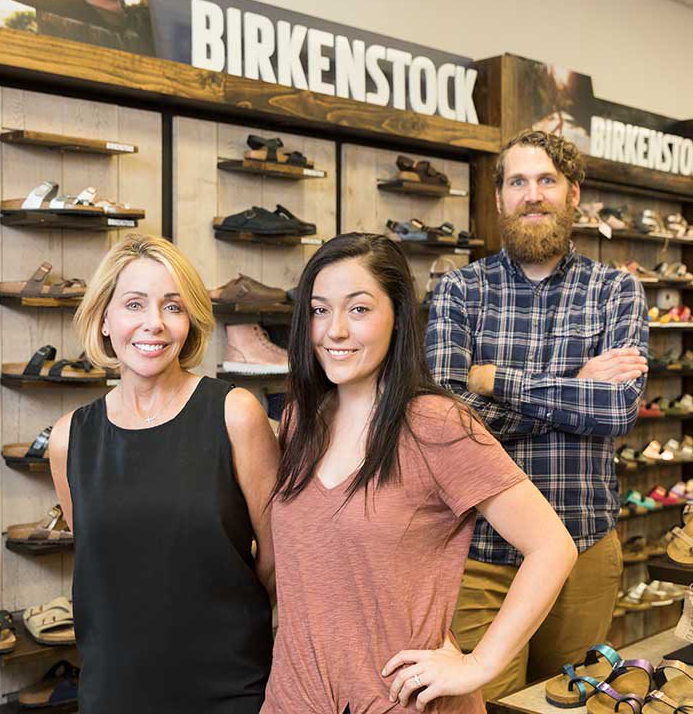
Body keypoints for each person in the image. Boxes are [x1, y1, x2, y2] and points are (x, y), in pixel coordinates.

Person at [262, 233, 577, 714]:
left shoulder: (433, 424)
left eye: (359, 309)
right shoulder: (298, 421)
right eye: (320, 310)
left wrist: (478, 665)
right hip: (294, 698)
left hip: (399, 700)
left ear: (397, 315)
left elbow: (552, 546)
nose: (335, 331)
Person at [426, 129, 649, 699]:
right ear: (499, 197)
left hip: (584, 546)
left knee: (571, 704)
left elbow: (618, 409)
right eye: (518, 182)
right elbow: (445, 420)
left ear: (574, 194)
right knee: (482, 705)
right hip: (482, 552)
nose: (533, 195)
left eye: (547, 180)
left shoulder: (616, 291)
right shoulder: (457, 291)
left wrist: (496, 382)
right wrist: (574, 387)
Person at [49, 234, 277, 713]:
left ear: (189, 320)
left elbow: (276, 559)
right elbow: (104, 564)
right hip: (113, 692)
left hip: (228, 689)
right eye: (134, 304)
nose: (153, 324)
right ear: (105, 319)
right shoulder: (70, 438)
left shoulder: (235, 414)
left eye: (172, 307)